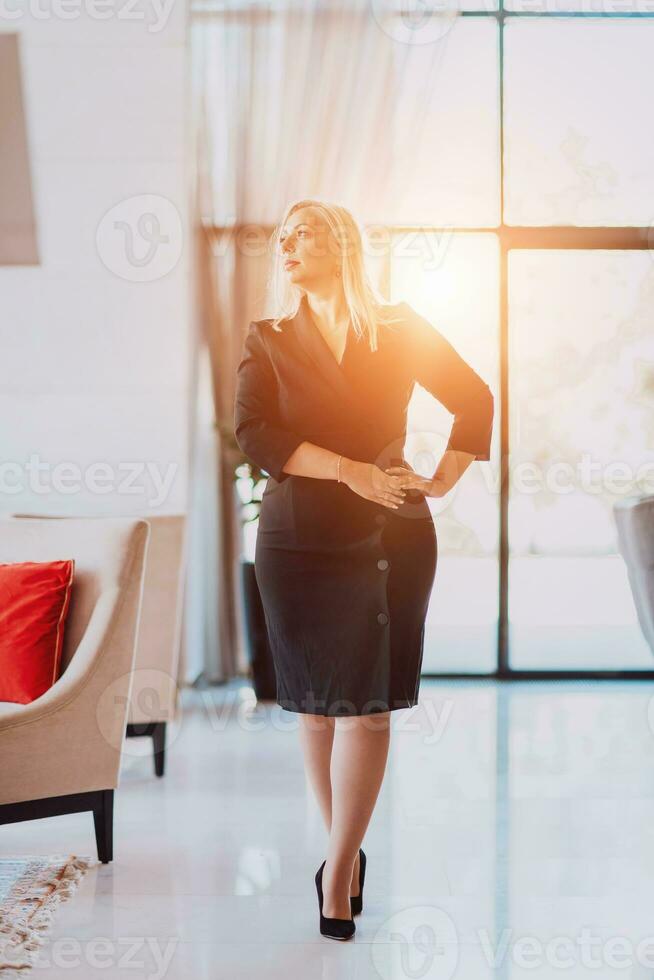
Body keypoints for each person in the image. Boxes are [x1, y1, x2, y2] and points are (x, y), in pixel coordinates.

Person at [234, 198, 494, 940]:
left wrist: (442, 476)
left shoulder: (401, 328)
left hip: (389, 532)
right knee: (316, 704)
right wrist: (349, 469)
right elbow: (256, 432)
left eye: (303, 233)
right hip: (295, 538)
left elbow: (474, 398)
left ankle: (338, 872)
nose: (287, 246)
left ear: (342, 242)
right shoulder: (271, 337)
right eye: (281, 238)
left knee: (369, 706)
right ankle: (341, 856)